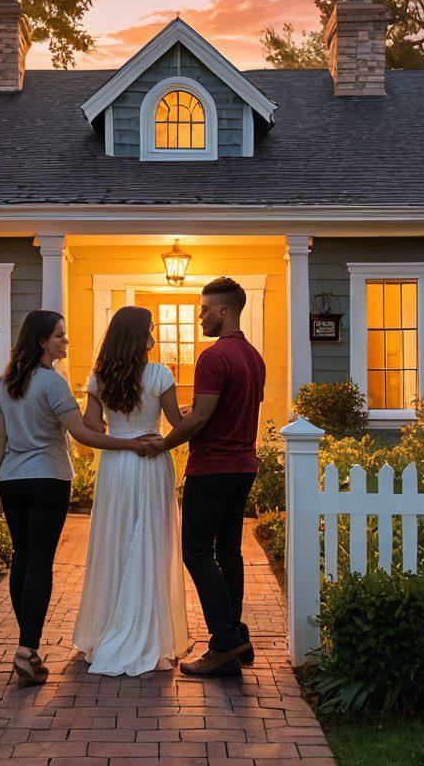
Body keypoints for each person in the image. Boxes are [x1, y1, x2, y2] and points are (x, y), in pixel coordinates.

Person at [0, 309, 158, 688]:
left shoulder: (4, 384)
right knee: (40, 564)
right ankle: (27, 647)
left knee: (22, 558)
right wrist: (129, 444)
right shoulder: (53, 383)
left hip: (13, 480)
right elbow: (83, 434)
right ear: (41, 341)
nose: (66, 341)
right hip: (48, 478)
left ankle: (25, 645)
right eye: (60, 336)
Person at [156, 277, 266, 678]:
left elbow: (202, 418)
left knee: (197, 553)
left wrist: (162, 444)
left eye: (204, 309)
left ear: (223, 311)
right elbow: (233, 408)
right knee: (229, 553)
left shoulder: (213, 356)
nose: (200, 316)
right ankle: (236, 636)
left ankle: (223, 642)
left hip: (212, 467)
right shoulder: (254, 357)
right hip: (243, 467)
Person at [72, 306, 190, 675]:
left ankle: (109, 627)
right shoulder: (159, 374)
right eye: (151, 329)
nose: (154, 335)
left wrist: (121, 435)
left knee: (116, 541)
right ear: (140, 336)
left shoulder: (100, 378)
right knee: (151, 541)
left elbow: (92, 428)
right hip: (151, 460)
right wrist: (196, 412)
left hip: (116, 465)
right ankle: (145, 631)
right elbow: (176, 424)